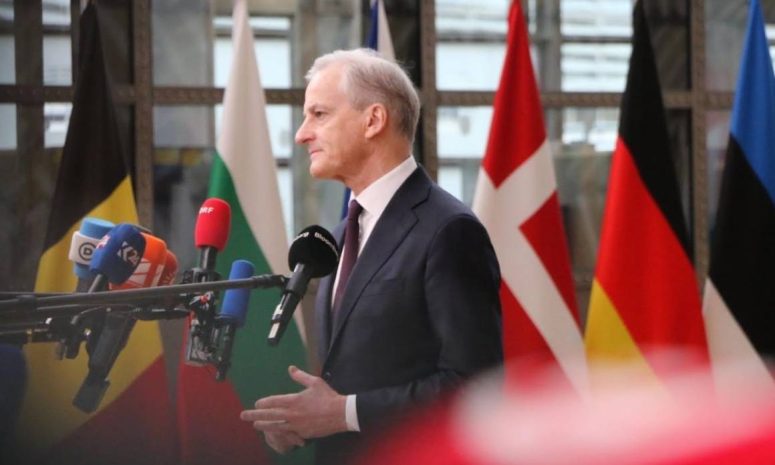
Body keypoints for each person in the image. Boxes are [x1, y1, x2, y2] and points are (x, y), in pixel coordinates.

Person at [239, 48, 503, 465]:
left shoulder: (449, 229)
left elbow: (476, 388)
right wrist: (306, 423)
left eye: (319, 114)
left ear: (373, 120)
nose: (302, 134)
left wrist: (343, 414)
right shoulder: (339, 235)